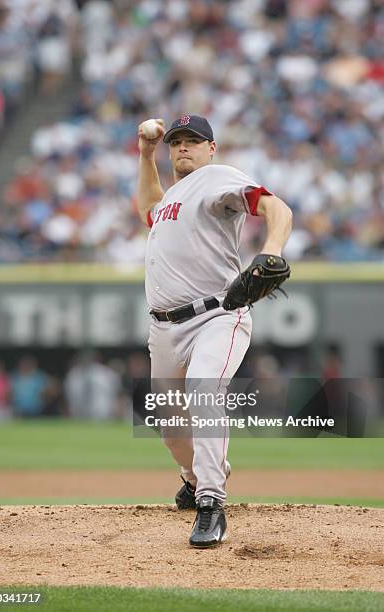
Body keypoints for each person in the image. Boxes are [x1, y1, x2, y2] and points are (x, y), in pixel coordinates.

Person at [136, 114, 292, 548]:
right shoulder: (172, 199)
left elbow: (276, 207)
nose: (183, 147)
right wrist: (146, 155)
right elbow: (148, 205)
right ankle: (195, 478)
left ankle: (211, 504)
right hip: (164, 328)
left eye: (193, 140)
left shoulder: (218, 178)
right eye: (176, 142)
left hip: (218, 314)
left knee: (205, 391)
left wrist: (272, 249)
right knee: (171, 428)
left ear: (211, 148)